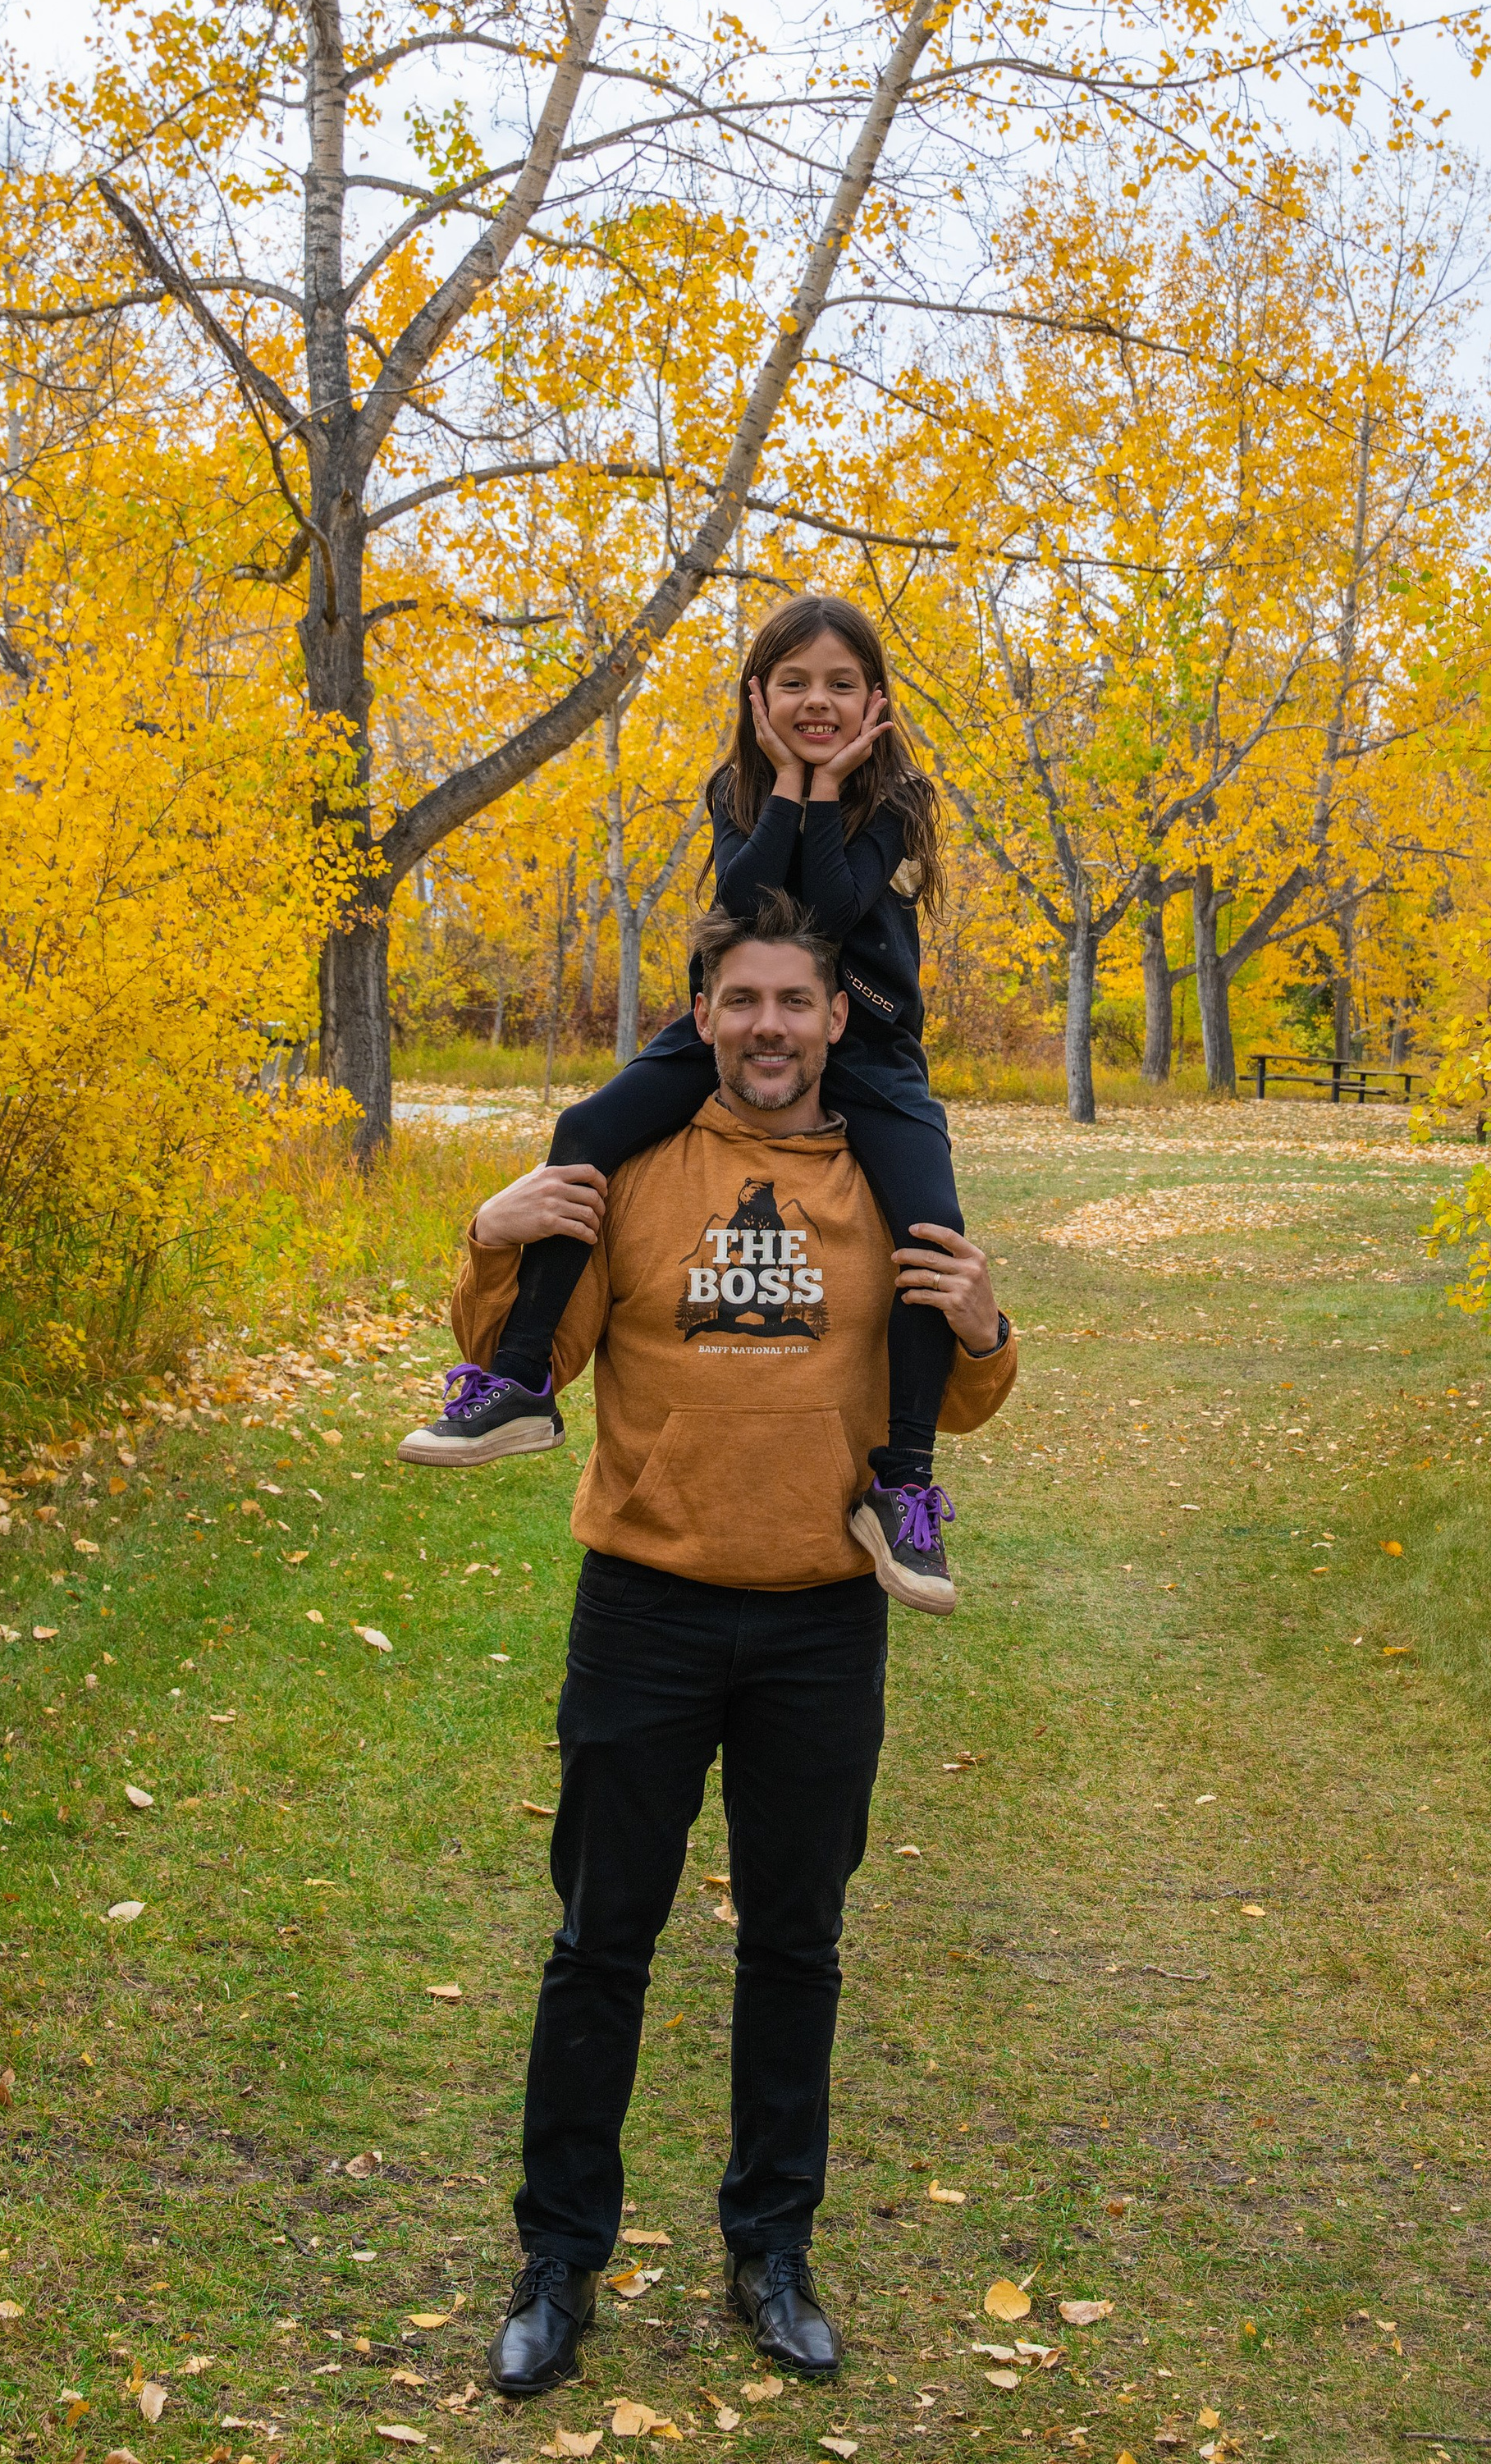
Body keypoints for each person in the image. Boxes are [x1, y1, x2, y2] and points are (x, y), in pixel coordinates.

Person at [452, 892, 1016, 2398]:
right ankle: (559, 2261)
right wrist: (488, 1234)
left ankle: (771, 2249)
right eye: (742, 1001)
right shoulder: (636, 1164)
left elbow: (953, 1406)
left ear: (839, 1020)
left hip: (823, 1619)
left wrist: (980, 1323)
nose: (769, 1026)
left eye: (796, 1002)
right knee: (599, 1944)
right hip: (644, 1605)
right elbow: (541, 1353)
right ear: (702, 1016)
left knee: (796, 1944)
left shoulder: (890, 1181)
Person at [400, 593, 974, 1615]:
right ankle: (523, 1379)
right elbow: (751, 909)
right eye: (794, 682)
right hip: (744, 1013)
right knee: (583, 1132)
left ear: (875, 701)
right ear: (757, 696)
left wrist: (828, 786)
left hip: (869, 1038)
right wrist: (789, 785)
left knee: (931, 1234)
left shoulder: (891, 801)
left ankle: (904, 1483)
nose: (818, 701)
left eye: (842, 684)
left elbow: (835, 913)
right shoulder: (735, 790)